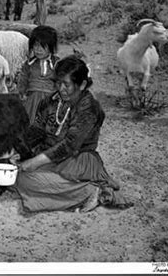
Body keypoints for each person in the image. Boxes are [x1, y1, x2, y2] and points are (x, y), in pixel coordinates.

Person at [15, 55, 132, 213]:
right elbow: (37, 129)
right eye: (58, 83)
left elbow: (70, 144)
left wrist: (35, 161)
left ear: (82, 84)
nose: (61, 88)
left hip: (77, 161)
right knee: (15, 173)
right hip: (51, 155)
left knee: (22, 178)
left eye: (66, 84)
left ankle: (89, 191)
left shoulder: (88, 108)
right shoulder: (51, 101)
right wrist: (16, 147)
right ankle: (73, 192)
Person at [17, 25, 60, 124]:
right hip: (32, 101)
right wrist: (21, 93)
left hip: (51, 100)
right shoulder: (29, 64)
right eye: (35, 45)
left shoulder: (57, 63)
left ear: (51, 47)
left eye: (42, 46)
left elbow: (60, 81)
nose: (38, 49)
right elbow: (23, 79)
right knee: (29, 124)